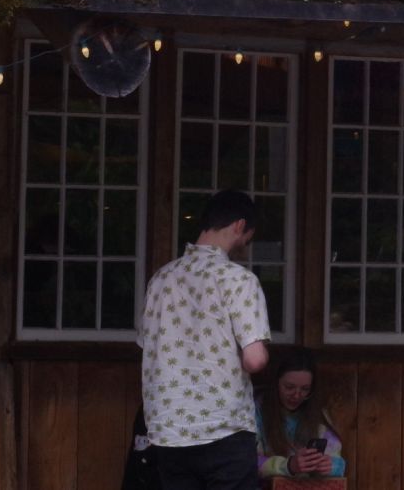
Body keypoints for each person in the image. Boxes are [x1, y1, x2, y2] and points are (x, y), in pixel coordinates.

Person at [139, 189, 272, 490]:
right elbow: (255, 359)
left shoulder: (160, 279)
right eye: (249, 236)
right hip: (223, 426)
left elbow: (150, 349)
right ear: (239, 226)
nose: (247, 245)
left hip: (169, 429)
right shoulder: (239, 280)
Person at [256, 348, 347, 482]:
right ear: (276, 383)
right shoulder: (256, 411)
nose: (297, 395)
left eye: (305, 389)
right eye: (289, 387)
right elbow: (248, 462)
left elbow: (337, 460)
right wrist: (289, 465)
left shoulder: (317, 414)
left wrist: (330, 465)